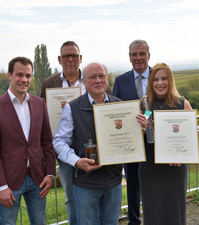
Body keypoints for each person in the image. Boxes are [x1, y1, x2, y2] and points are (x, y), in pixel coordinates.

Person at [53, 62, 147, 225]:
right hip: (85, 184)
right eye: (92, 77)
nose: (98, 80)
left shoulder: (120, 106)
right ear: (85, 81)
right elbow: (59, 141)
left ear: (107, 78)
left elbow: (129, 137)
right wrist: (76, 161)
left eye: (101, 76)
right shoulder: (72, 108)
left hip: (113, 182)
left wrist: (140, 132)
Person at [0, 56, 56, 225]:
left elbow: (46, 142)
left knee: (40, 222)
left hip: (38, 178)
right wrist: (1, 186)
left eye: (28, 76)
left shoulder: (40, 103)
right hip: (10, 182)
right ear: (9, 75)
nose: (24, 80)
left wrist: (50, 173)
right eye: (19, 75)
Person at [139, 63, 192, 225]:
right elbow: (140, 135)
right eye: (155, 79)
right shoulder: (146, 106)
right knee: (153, 212)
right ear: (150, 82)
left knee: (174, 211)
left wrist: (182, 157)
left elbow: (189, 141)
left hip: (174, 169)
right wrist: (142, 127)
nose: (160, 83)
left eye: (164, 78)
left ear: (170, 81)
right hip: (150, 168)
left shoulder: (182, 104)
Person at [40, 40, 85, 224]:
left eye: (74, 55)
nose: (70, 59)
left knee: (93, 193)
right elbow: (42, 115)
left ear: (80, 58)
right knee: (71, 196)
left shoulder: (91, 78)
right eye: (66, 56)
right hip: (63, 149)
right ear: (60, 59)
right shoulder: (49, 83)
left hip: (89, 147)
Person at [113, 39, 151, 225]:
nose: (138, 58)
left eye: (142, 53)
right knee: (133, 186)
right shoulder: (120, 81)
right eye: (134, 54)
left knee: (154, 183)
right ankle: (134, 221)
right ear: (129, 58)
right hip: (130, 142)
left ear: (148, 56)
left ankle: (155, 218)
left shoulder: (159, 77)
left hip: (155, 140)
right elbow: (114, 111)